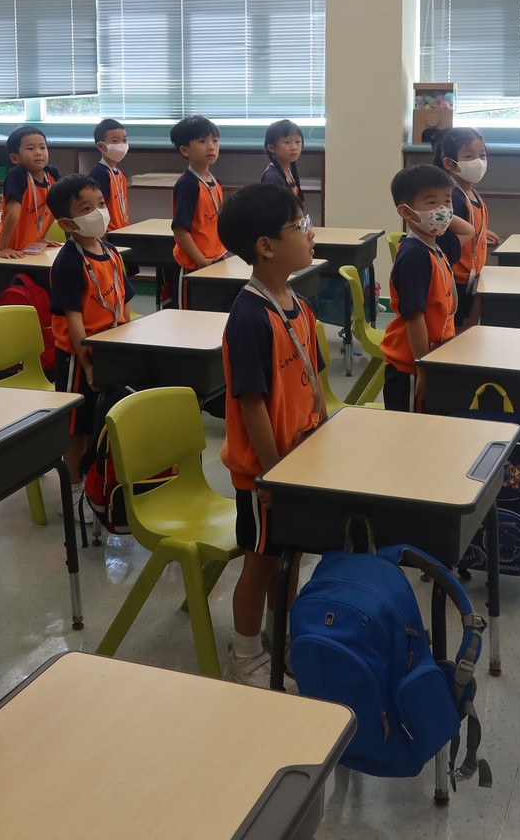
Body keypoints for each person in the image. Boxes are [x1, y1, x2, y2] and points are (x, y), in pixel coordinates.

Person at [216, 183, 324, 687]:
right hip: (266, 473)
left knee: (290, 555)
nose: (311, 233)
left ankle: (282, 635)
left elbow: (311, 381)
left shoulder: (298, 304)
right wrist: (272, 472)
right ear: (265, 246)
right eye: (300, 226)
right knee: (260, 563)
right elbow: (252, 403)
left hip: (298, 462)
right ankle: (245, 655)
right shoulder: (250, 318)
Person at [45, 173, 133, 510]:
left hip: (111, 350)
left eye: (101, 204)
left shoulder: (110, 251)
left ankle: (97, 483)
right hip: (79, 358)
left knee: (103, 419)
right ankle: (73, 493)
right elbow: (74, 320)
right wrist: (88, 364)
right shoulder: (69, 261)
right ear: (67, 224)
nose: (99, 212)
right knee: (77, 428)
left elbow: (123, 302)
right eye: (86, 208)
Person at [380, 164, 459, 413]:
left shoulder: (435, 247)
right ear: (407, 212)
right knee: (410, 430)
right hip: (411, 368)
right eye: (432, 202)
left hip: (431, 359)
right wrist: (422, 369)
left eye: (447, 201)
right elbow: (415, 319)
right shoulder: (414, 255)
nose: (443, 210)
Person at [434, 127, 492, 328]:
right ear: (449, 163)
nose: (479, 161)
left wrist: (482, 232)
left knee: (469, 326)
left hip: (471, 276)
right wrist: (471, 233)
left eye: (482, 155)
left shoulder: (472, 193)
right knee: (458, 330)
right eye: (469, 156)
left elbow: (468, 223)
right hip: (457, 279)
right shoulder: (453, 198)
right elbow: (443, 238)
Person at [168, 115, 226, 307]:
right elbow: (180, 230)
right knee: (191, 316)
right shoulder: (188, 185)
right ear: (185, 150)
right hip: (193, 265)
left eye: (215, 140)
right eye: (202, 141)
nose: (211, 146)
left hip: (215, 260)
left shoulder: (215, 182)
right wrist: (201, 261)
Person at [0, 126, 60, 260]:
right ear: (15, 158)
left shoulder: (52, 174)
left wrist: (41, 237)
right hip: (8, 248)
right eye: (30, 149)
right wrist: (3, 248)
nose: (38, 153)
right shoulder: (17, 176)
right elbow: (13, 213)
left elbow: (55, 208)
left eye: (42, 147)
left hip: (30, 247)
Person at [88, 117, 132, 232]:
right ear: (101, 146)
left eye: (124, 140)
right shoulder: (100, 174)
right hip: (107, 233)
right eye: (115, 141)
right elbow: (96, 210)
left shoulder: (120, 175)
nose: (121, 145)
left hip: (121, 230)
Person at [260, 119, 305, 203]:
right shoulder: (273, 177)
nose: (294, 147)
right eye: (287, 142)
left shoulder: (288, 171)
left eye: (297, 141)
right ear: (271, 147)